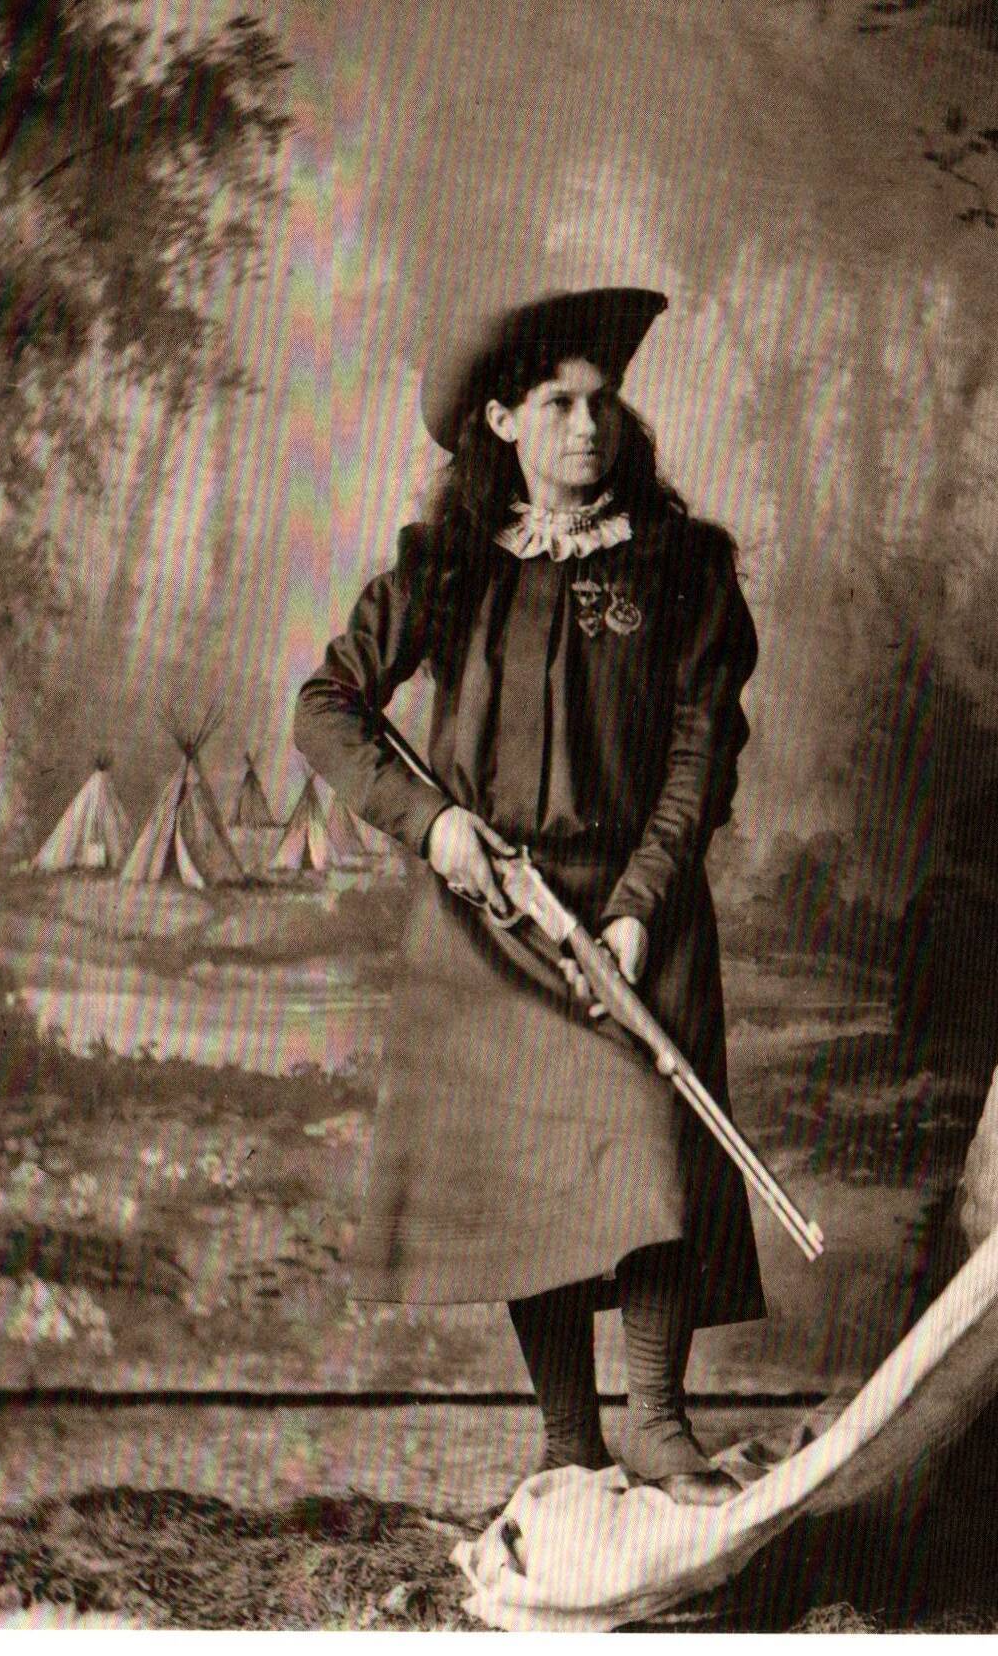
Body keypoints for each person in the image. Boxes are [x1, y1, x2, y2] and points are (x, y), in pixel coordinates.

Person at [295, 286, 765, 1507]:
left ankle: (658, 1422)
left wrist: (640, 903)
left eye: (601, 401)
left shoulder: (682, 567)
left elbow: (699, 755)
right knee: (527, 1179)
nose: (587, 426)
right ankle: (569, 1441)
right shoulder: (446, 565)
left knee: (653, 1148)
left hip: (636, 909)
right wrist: (436, 826)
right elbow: (326, 708)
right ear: (501, 421)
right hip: (488, 920)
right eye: (556, 403)